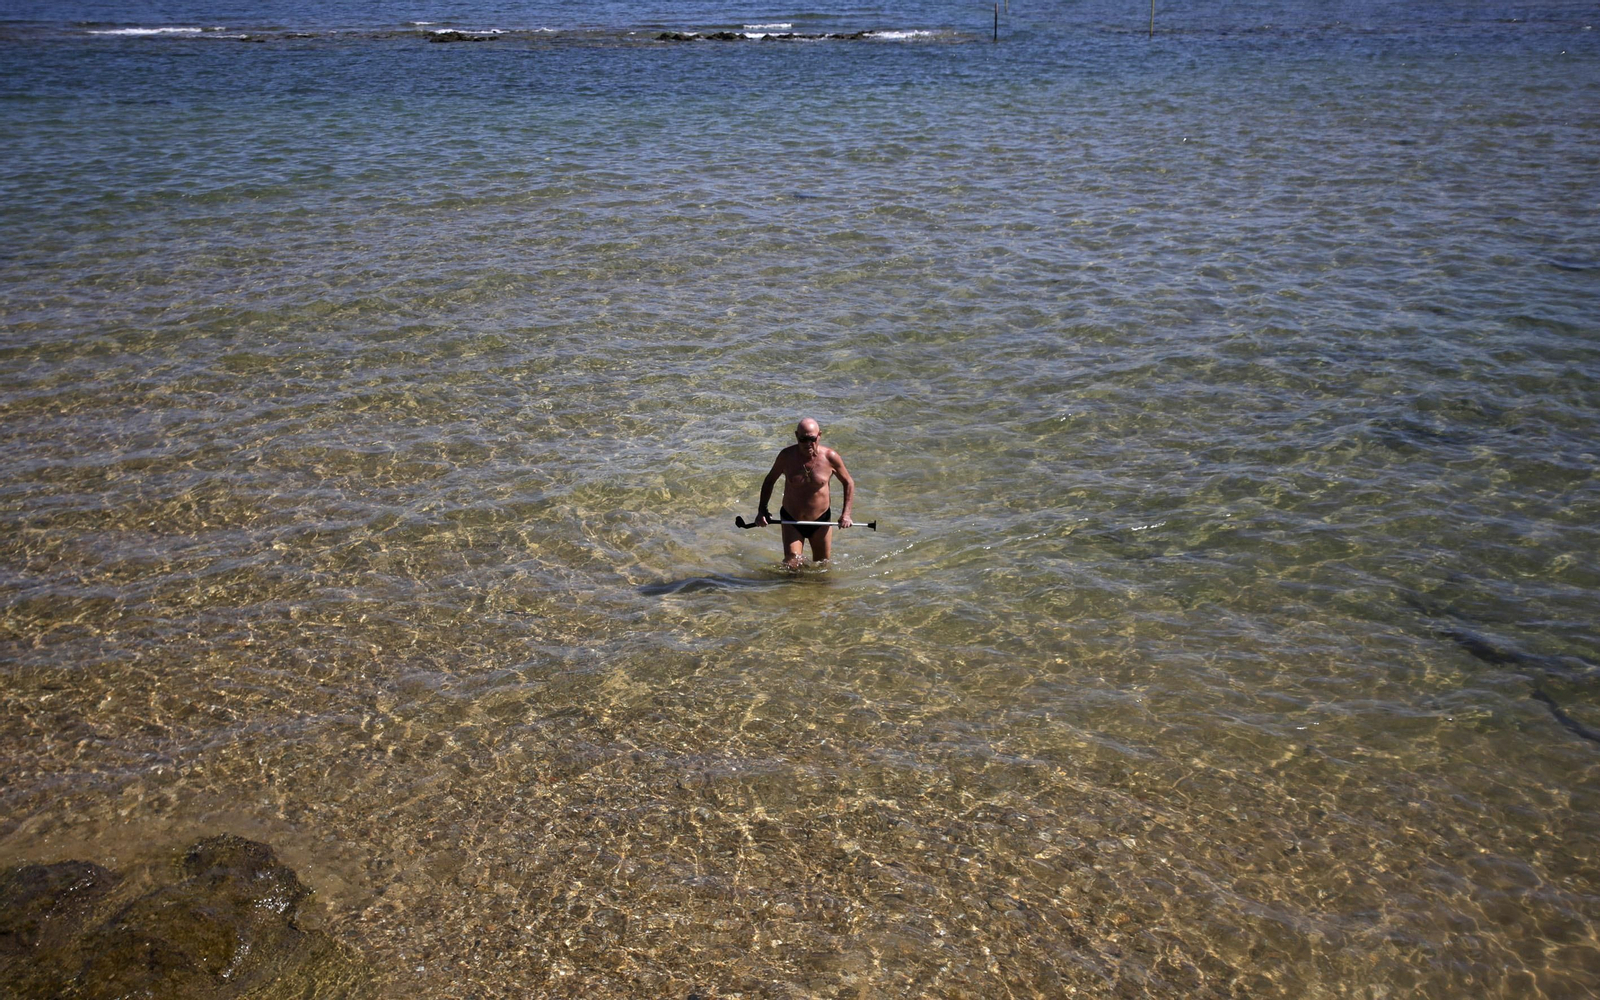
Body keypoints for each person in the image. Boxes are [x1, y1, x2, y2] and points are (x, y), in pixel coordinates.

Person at [754, 418, 855, 568]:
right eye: (803, 439)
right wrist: (762, 510)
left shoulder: (830, 457)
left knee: (822, 567)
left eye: (812, 439)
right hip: (792, 520)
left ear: (819, 435)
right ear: (796, 436)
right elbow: (769, 481)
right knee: (792, 563)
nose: (808, 443)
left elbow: (848, 482)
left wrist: (846, 514)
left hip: (821, 520)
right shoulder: (786, 456)